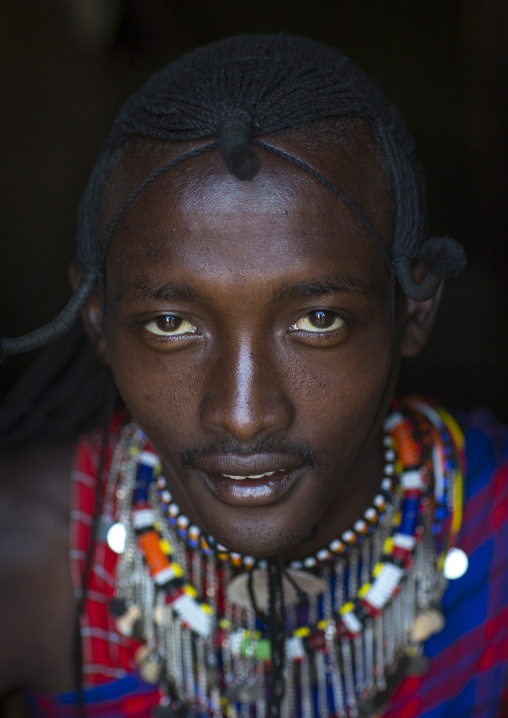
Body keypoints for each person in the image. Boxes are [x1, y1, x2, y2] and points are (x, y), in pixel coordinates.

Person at [0, 34, 507, 718]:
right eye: (171, 325)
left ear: (412, 313)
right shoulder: (25, 554)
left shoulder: (491, 525)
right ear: (98, 324)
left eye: (319, 320)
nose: (243, 414)